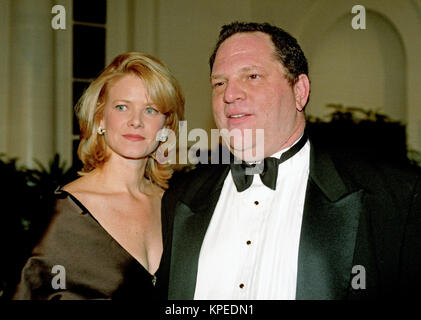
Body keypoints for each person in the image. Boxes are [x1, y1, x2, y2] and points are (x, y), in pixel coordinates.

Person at [156, 22, 421, 299]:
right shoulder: (179, 199)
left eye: (253, 76)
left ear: (299, 91)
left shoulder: (393, 200)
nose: (230, 94)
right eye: (219, 83)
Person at [13, 52, 184, 300]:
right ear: (100, 118)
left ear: (166, 126)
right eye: (122, 107)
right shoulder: (64, 215)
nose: (136, 121)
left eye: (151, 110)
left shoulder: (176, 206)